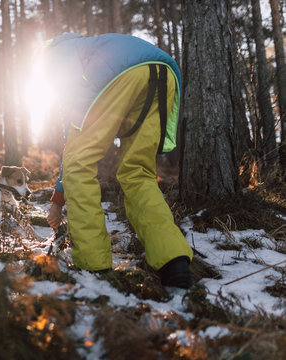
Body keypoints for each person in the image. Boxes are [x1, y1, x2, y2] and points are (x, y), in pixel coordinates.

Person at [42, 33, 193, 289]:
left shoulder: (56, 51)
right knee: (138, 173)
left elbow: (73, 140)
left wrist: (58, 200)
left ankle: (93, 264)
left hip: (119, 75)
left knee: (79, 166)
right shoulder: (89, 45)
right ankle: (174, 261)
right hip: (165, 72)